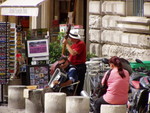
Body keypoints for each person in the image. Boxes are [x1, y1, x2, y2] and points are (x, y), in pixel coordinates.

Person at [63, 29, 86, 95]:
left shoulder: (81, 44)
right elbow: (71, 57)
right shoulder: (74, 45)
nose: (70, 39)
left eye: (70, 38)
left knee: (78, 86)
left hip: (79, 67)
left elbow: (73, 53)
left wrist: (66, 44)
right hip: (73, 66)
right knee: (72, 84)